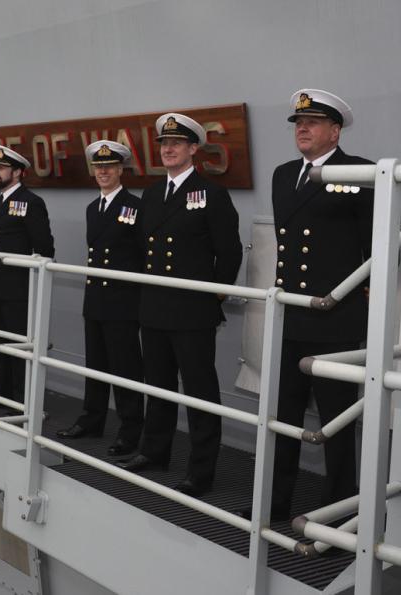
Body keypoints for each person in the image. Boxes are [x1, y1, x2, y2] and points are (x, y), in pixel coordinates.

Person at [119, 113, 243, 500]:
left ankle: (201, 471)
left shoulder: (211, 193)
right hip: (154, 307)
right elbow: (143, 248)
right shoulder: (152, 194)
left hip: (192, 311)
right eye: (163, 144)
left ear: (193, 149)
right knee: (157, 385)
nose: (168, 149)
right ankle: (155, 451)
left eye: (176, 144)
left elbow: (229, 250)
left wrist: (216, 293)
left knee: (199, 393)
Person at [268, 89, 374, 521]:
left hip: (335, 319)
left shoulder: (362, 172)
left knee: (337, 424)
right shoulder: (282, 174)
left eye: (312, 123)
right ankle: (275, 503)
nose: (303, 129)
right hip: (293, 315)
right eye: (298, 123)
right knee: (285, 420)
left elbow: (377, 247)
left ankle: (340, 513)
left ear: (335, 130)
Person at [57, 141, 146, 457]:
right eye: (98, 167)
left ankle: (130, 431)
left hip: (122, 302)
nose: (103, 172)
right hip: (95, 298)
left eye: (109, 166)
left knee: (125, 369)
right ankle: (91, 419)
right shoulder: (92, 208)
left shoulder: (135, 206)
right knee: (95, 366)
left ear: (121, 170)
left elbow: (142, 256)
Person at [0, 145, 54, 408]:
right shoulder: (1, 200)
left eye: (1, 168)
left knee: (18, 345)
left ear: (18, 172)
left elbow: (44, 247)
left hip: (17, 286)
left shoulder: (32, 202)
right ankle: (3, 392)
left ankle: (24, 400)